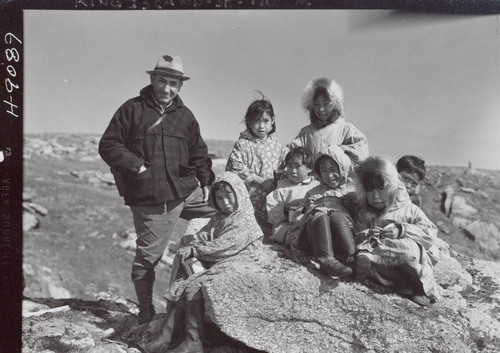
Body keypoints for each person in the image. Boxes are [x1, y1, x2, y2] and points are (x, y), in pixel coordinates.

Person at [99, 55, 215, 325]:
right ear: (152, 79)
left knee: (225, 212)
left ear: (180, 87)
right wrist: (137, 166)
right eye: (162, 81)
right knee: (148, 257)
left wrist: (207, 181)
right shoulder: (132, 109)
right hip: (152, 197)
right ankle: (145, 314)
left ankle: (204, 295)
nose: (167, 88)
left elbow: (199, 152)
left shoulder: (185, 116)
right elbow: (108, 145)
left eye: (173, 83)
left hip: (187, 191)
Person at [130, 172, 263, 353]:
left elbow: (225, 245)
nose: (225, 202)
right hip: (223, 261)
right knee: (184, 279)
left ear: (239, 193)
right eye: (220, 198)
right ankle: (165, 338)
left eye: (229, 196)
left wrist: (196, 249)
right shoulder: (220, 217)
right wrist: (198, 241)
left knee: (194, 284)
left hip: (240, 263)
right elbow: (206, 233)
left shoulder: (244, 219)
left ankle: (193, 342)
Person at [353, 156, 441, 306]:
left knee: (408, 249)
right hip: (382, 257)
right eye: (370, 190)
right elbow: (358, 230)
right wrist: (369, 233)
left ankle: (417, 285)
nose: (375, 196)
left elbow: (429, 233)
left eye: (381, 189)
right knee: (367, 252)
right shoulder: (365, 211)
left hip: (407, 254)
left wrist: (402, 229)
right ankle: (399, 280)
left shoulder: (410, 208)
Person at [290, 145, 361, 278]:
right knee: (320, 214)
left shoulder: (353, 191)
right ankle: (326, 259)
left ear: (343, 168)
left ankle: (351, 258)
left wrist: (352, 206)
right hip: (316, 240)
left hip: (341, 238)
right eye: (324, 171)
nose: (329, 175)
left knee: (338, 216)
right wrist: (307, 210)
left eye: (334, 169)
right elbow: (295, 219)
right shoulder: (313, 192)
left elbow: (363, 218)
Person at [225, 93, 288, 239]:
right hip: (248, 196)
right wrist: (261, 181)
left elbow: (289, 162)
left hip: (270, 197)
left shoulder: (277, 145)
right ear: (249, 121)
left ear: (272, 121)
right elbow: (235, 167)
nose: (261, 126)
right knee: (246, 231)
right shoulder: (243, 143)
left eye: (266, 121)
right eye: (256, 121)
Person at [290, 77, 368, 165]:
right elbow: (293, 153)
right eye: (316, 104)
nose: (321, 109)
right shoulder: (306, 133)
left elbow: (361, 150)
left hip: (337, 177)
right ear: (311, 107)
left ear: (335, 105)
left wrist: (341, 150)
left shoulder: (345, 129)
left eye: (326, 104)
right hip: (313, 178)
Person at [266, 147, 320, 246]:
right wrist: (285, 210)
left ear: (310, 168)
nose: (293, 171)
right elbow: (273, 211)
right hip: (287, 225)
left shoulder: (316, 186)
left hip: (309, 223)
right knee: (282, 233)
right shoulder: (282, 186)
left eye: (298, 166)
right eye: (290, 166)